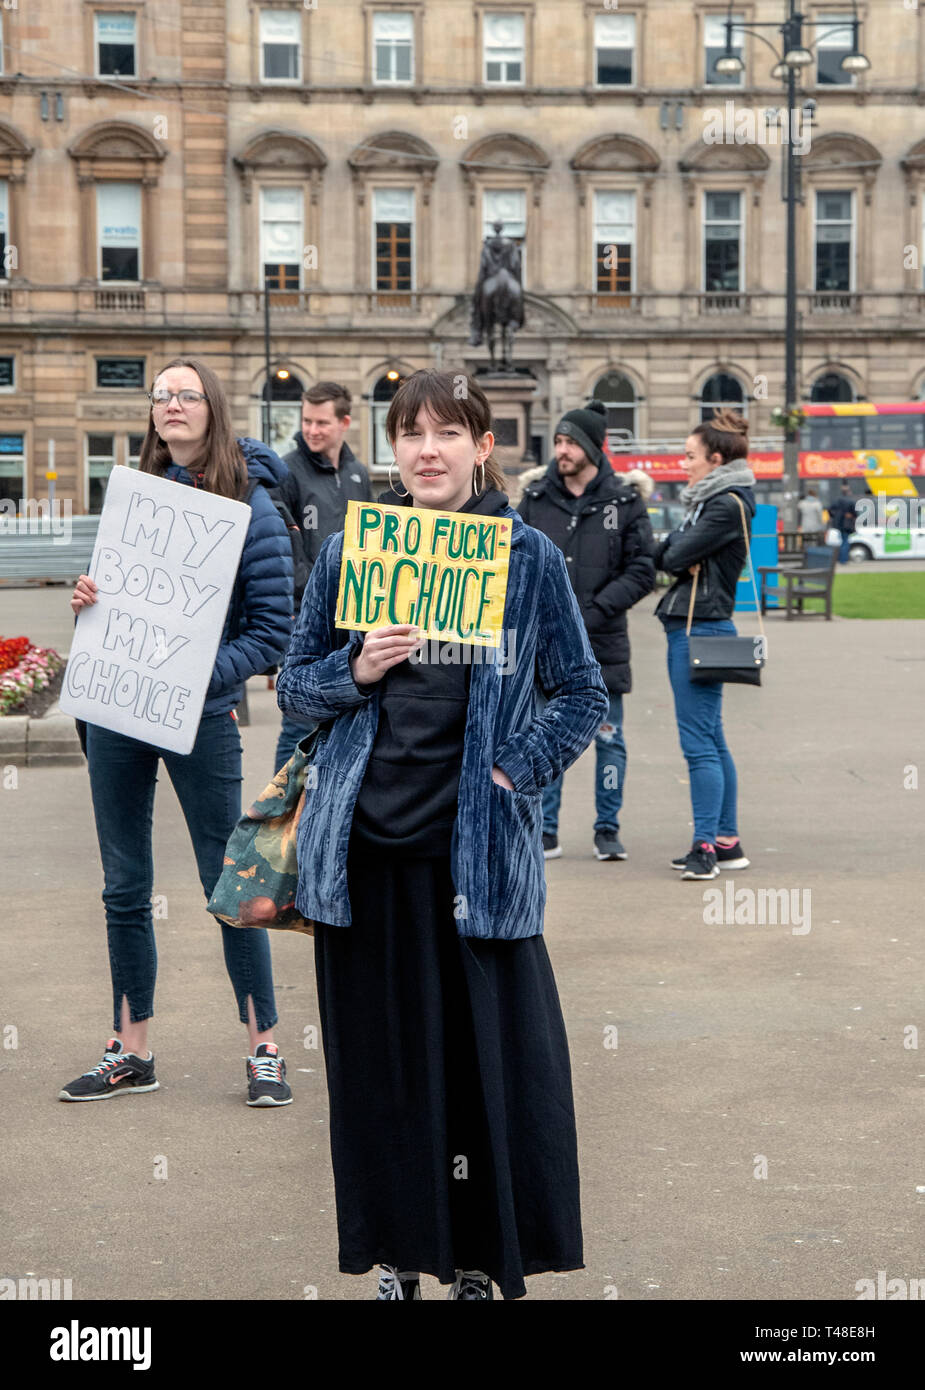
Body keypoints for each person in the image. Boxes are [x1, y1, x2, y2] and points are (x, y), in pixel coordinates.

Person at [276, 368, 608, 1300]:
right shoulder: (353, 551)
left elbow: (581, 695)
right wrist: (356, 668)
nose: (427, 449)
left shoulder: (528, 558)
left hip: (474, 863)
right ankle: (399, 1254)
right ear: (392, 448)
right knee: (381, 1077)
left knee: (482, 1074)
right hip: (363, 857)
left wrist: (514, 772)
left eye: (447, 433)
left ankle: (473, 1258)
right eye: (410, 433)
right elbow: (294, 686)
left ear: (481, 447)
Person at [59, 358, 295, 1106]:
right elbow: (120, 607)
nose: (171, 407)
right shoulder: (136, 499)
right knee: (124, 886)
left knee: (227, 884)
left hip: (198, 716)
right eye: (160, 397)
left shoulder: (251, 505)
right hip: (119, 711)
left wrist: (197, 672)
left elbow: (273, 633)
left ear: (212, 408)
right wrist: (88, 601)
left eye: (186, 395)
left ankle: (264, 1050)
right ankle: (132, 1051)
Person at [517, 399, 655, 862]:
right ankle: (545, 830)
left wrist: (593, 610)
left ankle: (607, 829)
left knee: (609, 739)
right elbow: (513, 563)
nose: (562, 450)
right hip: (542, 646)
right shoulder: (535, 500)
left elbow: (643, 569)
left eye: (571, 442)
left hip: (603, 642)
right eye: (558, 442)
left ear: (596, 447)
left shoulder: (626, 501)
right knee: (542, 735)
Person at [654, 409, 755, 882]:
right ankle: (727, 841)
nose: (684, 462)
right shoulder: (713, 501)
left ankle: (706, 847)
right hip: (702, 627)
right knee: (712, 739)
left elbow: (672, 554)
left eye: (691, 455)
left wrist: (679, 553)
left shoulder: (723, 504)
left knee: (698, 745)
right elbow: (674, 553)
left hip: (700, 629)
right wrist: (678, 552)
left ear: (715, 459)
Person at [274, 382, 372, 772]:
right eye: (306, 421)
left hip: (354, 613)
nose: (311, 430)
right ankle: (281, 811)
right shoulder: (286, 471)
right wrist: (303, 594)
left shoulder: (358, 474)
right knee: (297, 720)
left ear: (344, 422)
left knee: (342, 713)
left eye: (321, 422)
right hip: (304, 612)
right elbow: (284, 543)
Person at [827, 481, 857, 563]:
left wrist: (834, 516)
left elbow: (829, 509)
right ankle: (844, 559)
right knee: (845, 541)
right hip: (847, 524)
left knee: (842, 541)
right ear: (848, 492)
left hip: (838, 523)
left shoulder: (837, 500)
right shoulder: (851, 501)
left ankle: (841, 558)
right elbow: (855, 513)